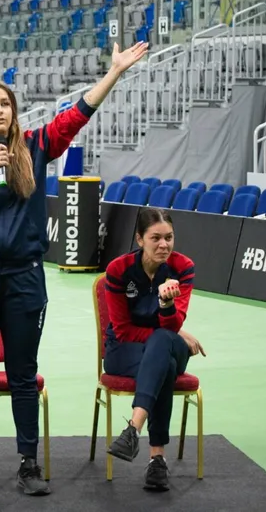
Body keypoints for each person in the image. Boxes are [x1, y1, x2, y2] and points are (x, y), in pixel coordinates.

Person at [0, 42, 150, 496]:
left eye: (6, 104)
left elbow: (79, 113)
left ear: (14, 112)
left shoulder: (35, 146)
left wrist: (113, 73)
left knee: (23, 372)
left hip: (24, 278)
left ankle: (28, 463)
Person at [102, 207, 205, 491]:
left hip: (166, 341)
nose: (164, 245)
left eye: (169, 238)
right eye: (155, 238)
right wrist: (173, 333)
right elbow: (122, 330)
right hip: (123, 350)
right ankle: (156, 460)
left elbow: (173, 323)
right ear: (139, 240)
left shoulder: (183, 267)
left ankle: (132, 430)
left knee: (162, 342)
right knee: (165, 365)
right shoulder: (118, 270)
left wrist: (166, 305)